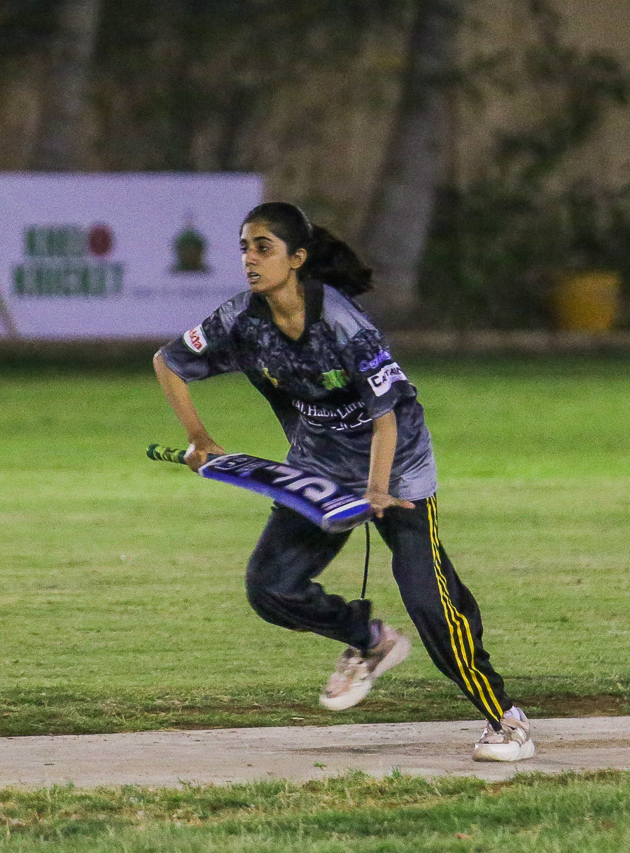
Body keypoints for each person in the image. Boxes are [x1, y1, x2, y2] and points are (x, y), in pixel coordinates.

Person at [153, 201, 533, 762]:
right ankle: (369, 640)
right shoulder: (240, 318)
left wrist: (377, 489)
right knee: (271, 587)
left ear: (297, 259)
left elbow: (388, 415)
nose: (250, 259)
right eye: (244, 248)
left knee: (428, 599)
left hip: (398, 470)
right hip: (319, 469)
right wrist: (199, 438)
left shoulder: (342, 323)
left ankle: (506, 719)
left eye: (264, 248)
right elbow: (168, 362)